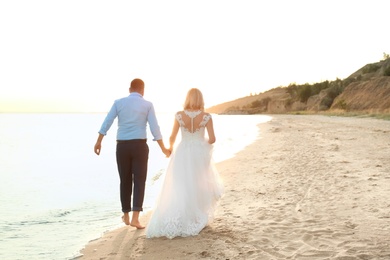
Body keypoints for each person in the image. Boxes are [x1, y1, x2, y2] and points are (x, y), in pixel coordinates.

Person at [146, 88, 224, 239]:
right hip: (199, 153)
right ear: (201, 99)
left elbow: (172, 137)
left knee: (181, 183)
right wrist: (202, 143)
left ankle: (181, 215)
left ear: (187, 99)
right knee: (197, 183)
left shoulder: (179, 115)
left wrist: (169, 149)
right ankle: (196, 215)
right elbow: (213, 139)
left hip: (183, 151)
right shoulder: (206, 116)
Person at [94, 78, 170, 229]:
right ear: (143, 90)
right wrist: (163, 149)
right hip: (140, 146)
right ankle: (135, 217)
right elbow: (155, 128)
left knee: (125, 180)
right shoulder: (148, 105)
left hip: (122, 146)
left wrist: (99, 141)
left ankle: (126, 215)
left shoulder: (119, 102)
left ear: (130, 89)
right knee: (139, 181)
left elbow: (107, 121)